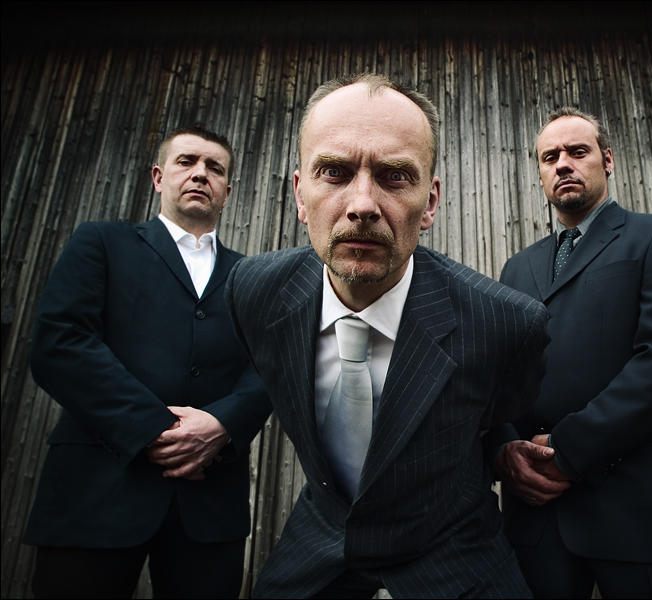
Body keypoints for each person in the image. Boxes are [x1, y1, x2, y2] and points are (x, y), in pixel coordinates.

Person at [225, 73, 549, 599]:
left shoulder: (506, 323)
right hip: (323, 534)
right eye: (334, 172)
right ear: (300, 194)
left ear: (431, 201)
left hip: (450, 543)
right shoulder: (254, 292)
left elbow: (499, 410)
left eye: (394, 176)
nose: (362, 204)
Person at [24, 126, 271, 598]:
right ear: (159, 177)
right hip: (95, 489)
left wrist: (220, 425)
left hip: (208, 502)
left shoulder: (253, 276)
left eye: (214, 167)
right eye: (186, 161)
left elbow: (269, 366)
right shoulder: (102, 242)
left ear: (227, 191)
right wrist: (158, 430)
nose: (200, 173)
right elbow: (61, 344)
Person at [493, 107, 652, 598]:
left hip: (635, 513)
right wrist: (505, 452)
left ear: (607, 160)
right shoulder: (517, 268)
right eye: (550, 157)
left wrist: (569, 450)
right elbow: (498, 375)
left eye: (577, 151)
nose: (563, 164)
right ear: (540, 173)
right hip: (537, 519)